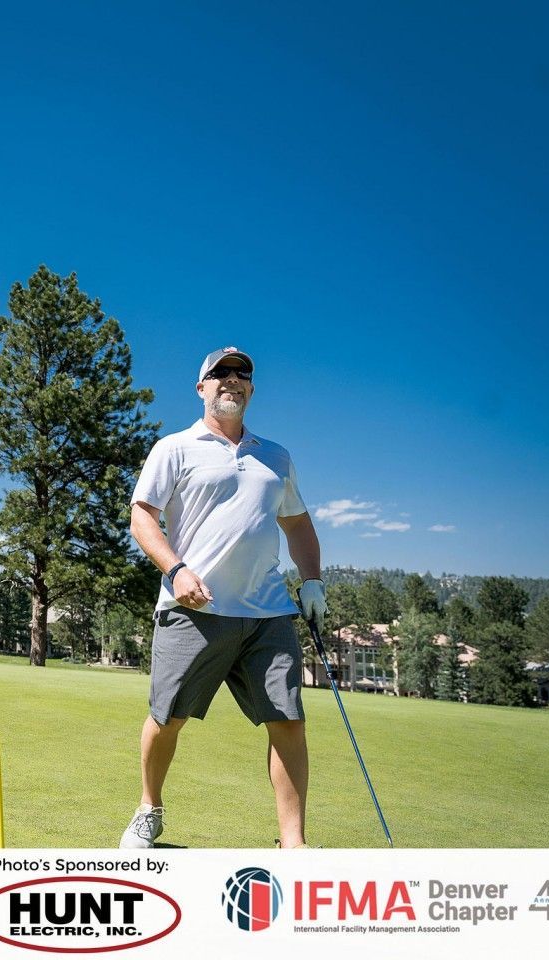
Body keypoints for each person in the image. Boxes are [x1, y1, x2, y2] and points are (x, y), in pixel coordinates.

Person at [121, 346, 328, 849]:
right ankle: (149, 808)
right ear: (202, 387)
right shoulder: (173, 448)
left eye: (242, 374)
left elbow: (298, 524)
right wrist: (176, 569)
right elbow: (142, 517)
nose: (232, 380)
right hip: (194, 609)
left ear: (251, 389)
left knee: (289, 722)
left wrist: (313, 580)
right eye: (220, 373)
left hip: (268, 612)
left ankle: (293, 843)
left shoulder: (275, 457)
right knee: (167, 717)